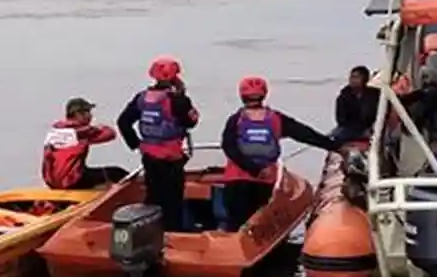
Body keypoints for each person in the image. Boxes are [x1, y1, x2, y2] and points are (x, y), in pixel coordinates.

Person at [220, 76, 339, 231]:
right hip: (264, 181)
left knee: (235, 223)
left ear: (242, 95)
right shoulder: (276, 119)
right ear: (264, 94)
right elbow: (304, 133)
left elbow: (229, 148)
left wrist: (252, 169)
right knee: (257, 223)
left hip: (237, 180)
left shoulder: (235, 120)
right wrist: (333, 145)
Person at [117, 57, 200, 233]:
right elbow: (191, 122)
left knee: (153, 196)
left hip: (149, 157)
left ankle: (150, 231)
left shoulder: (141, 98)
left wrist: (137, 144)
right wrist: (182, 94)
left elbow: (123, 122)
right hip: (172, 159)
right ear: (175, 77)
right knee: (173, 200)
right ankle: (173, 233)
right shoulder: (178, 100)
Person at [42, 97, 122, 189]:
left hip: (53, 182)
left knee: (85, 171)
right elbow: (110, 134)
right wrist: (98, 126)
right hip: (72, 181)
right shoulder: (81, 132)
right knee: (117, 173)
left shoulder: (55, 131)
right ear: (78, 114)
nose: (91, 116)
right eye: (88, 111)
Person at [332, 66, 381, 143]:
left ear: (365, 79)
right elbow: (341, 120)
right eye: (352, 77)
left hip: (373, 128)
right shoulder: (343, 96)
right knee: (338, 134)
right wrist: (361, 130)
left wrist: (371, 128)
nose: (353, 80)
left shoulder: (375, 94)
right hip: (352, 130)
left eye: (356, 77)